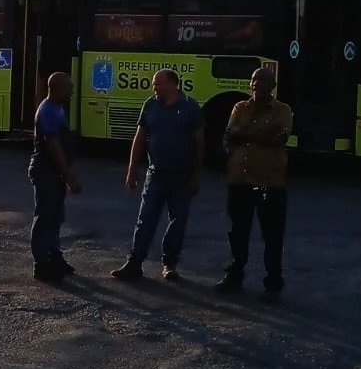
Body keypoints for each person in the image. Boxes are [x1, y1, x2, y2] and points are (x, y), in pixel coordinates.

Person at [114, 68, 204, 281]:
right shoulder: (150, 105)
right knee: (145, 220)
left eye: (158, 84)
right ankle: (134, 263)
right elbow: (139, 138)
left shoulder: (190, 107)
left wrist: (196, 175)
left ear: (172, 84)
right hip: (155, 174)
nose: (154, 88)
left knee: (177, 222)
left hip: (181, 176)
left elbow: (200, 144)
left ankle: (169, 264)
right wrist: (132, 169)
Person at [215, 66, 292, 300]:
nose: (256, 84)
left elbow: (278, 137)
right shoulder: (240, 107)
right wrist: (260, 133)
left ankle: (273, 283)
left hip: (271, 180)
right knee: (237, 231)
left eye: (262, 80)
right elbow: (230, 135)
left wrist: (245, 133)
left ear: (272, 86)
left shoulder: (283, 110)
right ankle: (234, 275)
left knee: (272, 235)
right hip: (239, 178)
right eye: (253, 80)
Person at [29, 72, 82, 282]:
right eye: (69, 88)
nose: (72, 92)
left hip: (54, 172)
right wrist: (68, 175)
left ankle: (54, 257)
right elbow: (53, 146)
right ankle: (41, 264)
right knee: (45, 217)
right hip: (46, 171)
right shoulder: (48, 111)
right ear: (58, 89)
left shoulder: (57, 108)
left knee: (55, 216)